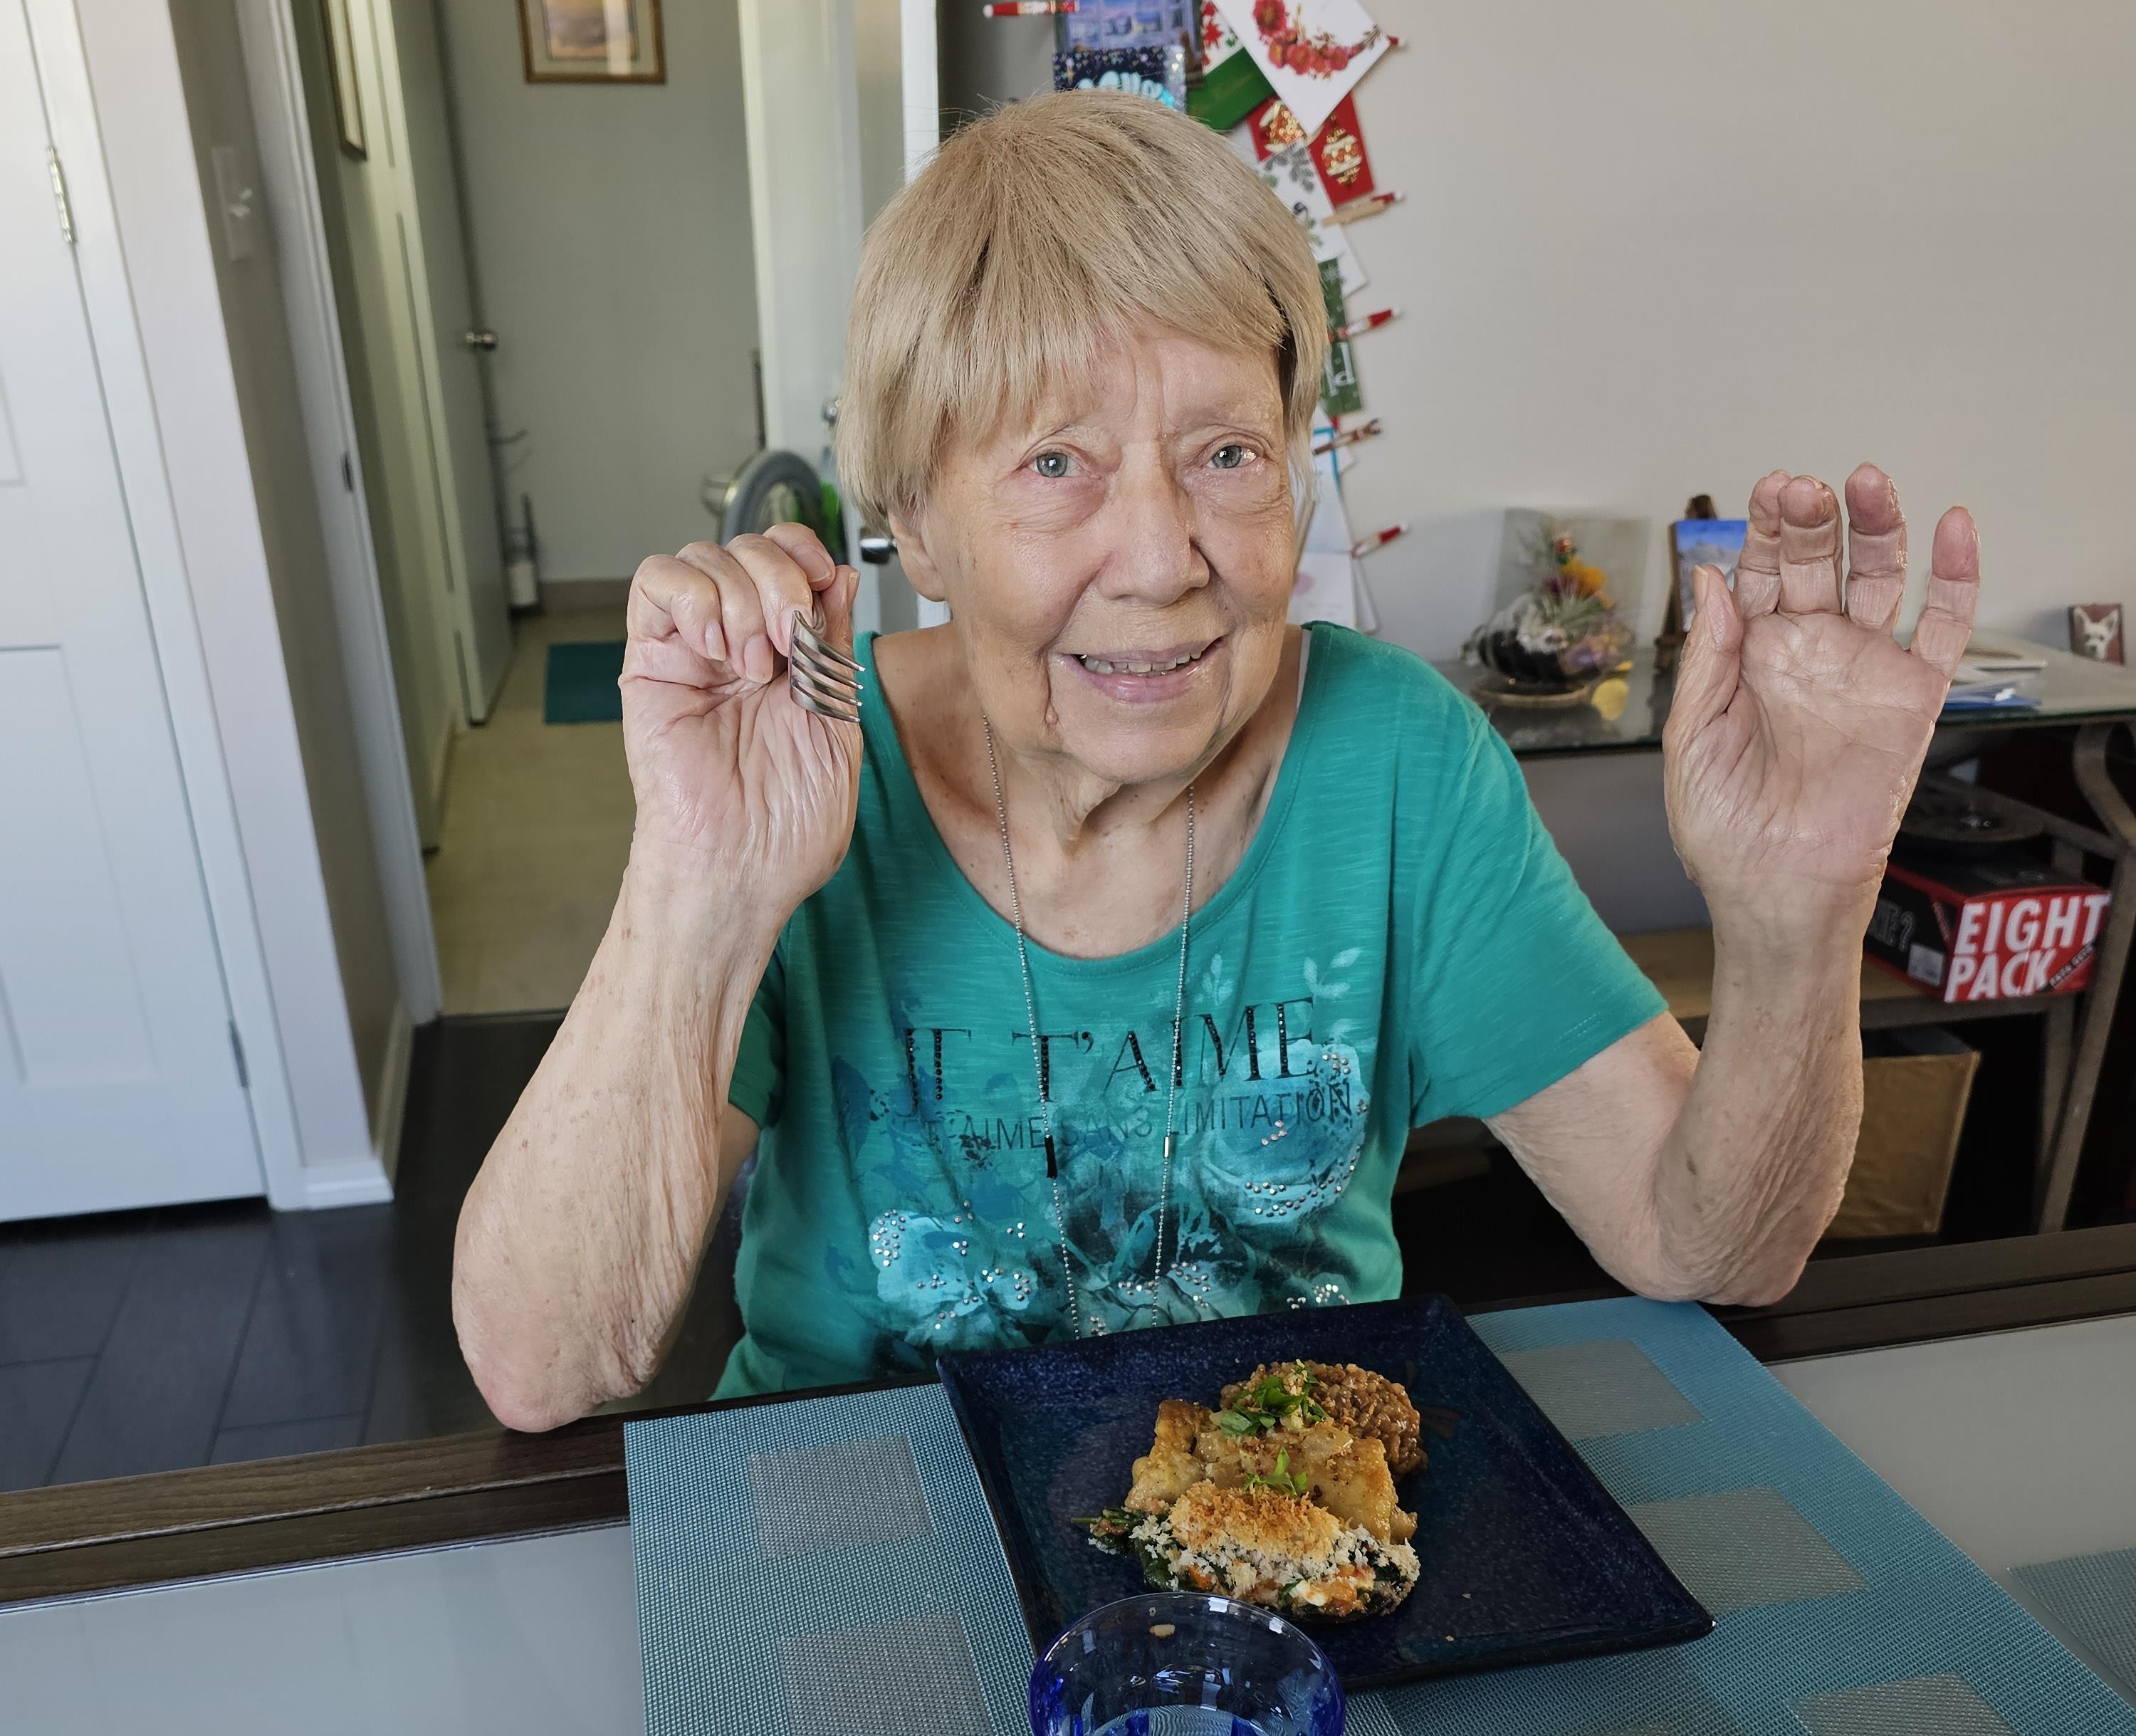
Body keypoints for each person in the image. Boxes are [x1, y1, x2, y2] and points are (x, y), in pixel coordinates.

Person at [454, 93, 1979, 1430]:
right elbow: (543, 1363)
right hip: (877, 1544)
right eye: (1056, 463)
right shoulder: (807, 764)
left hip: (1292, 1570)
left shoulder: (1395, 762)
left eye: (1226, 456)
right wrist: (698, 887)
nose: (1164, 557)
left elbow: (1712, 1244)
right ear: (916, 519)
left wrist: (1798, 918)